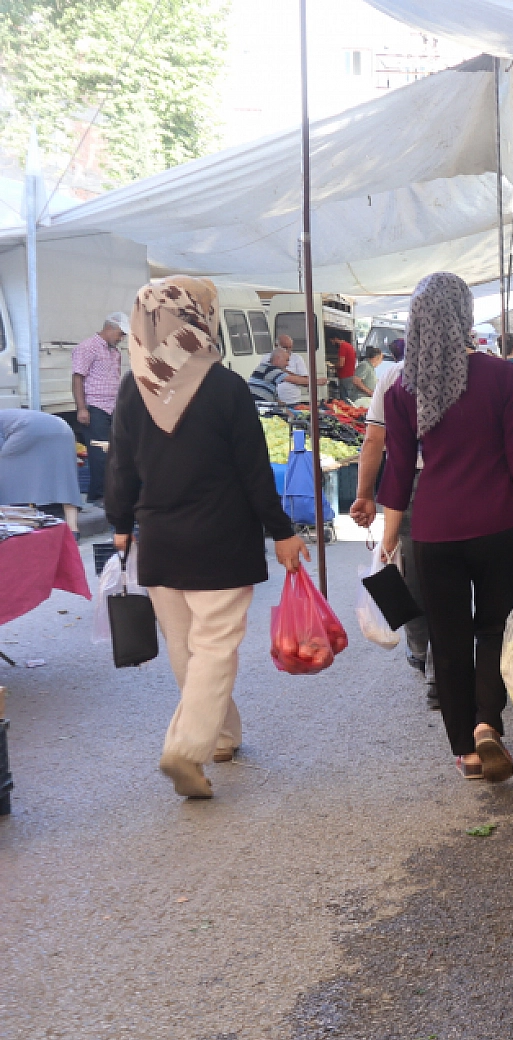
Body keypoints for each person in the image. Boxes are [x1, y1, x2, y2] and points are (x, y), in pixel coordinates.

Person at [104, 277, 308, 799]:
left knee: (186, 647)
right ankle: (188, 747)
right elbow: (254, 470)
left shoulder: (134, 387)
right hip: (221, 540)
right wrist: (281, 533)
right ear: (198, 318)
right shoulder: (224, 386)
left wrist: (121, 525)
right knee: (214, 648)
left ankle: (220, 735)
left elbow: (120, 467)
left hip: (160, 542)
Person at [377, 273, 513, 783]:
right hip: (498, 524)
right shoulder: (501, 376)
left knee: (448, 641)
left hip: (433, 530)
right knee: (494, 629)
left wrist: (389, 536)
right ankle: (486, 723)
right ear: (467, 316)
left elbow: (398, 468)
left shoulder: (405, 386)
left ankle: (467, 754)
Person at [350, 335, 432, 693]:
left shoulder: (394, 376)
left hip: (410, 484)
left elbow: (373, 440)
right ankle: (441, 668)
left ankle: (421, 650)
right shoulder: (476, 370)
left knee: (411, 576)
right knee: (450, 578)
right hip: (462, 486)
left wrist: (364, 494)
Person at [69, 312, 128, 506]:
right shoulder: (88, 347)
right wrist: (82, 408)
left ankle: (104, 493)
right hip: (95, 407)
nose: (121, 339)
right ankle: (99, 495)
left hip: (112, 407)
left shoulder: (114, 352)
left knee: (112, 453)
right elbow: (78, 378)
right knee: (99, 454)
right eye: (120, 334)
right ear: (109, 328)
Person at [0, 409, 84, 526]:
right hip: (62, 427)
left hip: (29, 429)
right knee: (64, 478)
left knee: (7, 470)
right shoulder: (8, 414)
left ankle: (15, 520)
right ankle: (73, 529)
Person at [272, 334, 314, 405]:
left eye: (290, 347)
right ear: (276, 346)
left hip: (293, 400)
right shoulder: (267, 358)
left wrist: (284, 372)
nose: (288, 350)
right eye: (285, 347)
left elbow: (305, 382)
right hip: (273, 401)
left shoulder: (297, 358)